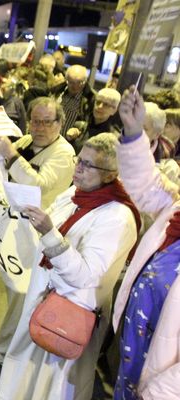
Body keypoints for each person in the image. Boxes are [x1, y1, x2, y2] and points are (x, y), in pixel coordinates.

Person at [0, 132, 140, 399]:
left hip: (70, 315)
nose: (79, 168)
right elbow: (54, 218)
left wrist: (50, 233)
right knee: (27, 378)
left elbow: (86, 277)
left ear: (110, 174)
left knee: (54, 386)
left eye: (88, 165)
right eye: (79, 160)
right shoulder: (78, 192)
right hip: (46, 300)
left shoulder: (118, 217)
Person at [0, 97, 75, 364]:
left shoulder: (64, 154)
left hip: (38, 237)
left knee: (23, 295)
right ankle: (11, 349)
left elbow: (38, 185)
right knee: (16, 293)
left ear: (59, 123)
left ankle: (6, 351)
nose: (40, 127)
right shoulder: (28, 142)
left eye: (47, 122)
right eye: (35, 121)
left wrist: (10, 155)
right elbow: (1, 159)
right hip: (14, 228)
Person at [112, 87, 180, 400]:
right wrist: (134, 130)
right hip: (136, 362)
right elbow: (147, 186)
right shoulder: (176, 212)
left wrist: (159, 393)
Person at [66, 88, 122, 154]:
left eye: (106, 104)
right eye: (98, 102)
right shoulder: (79, 126)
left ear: (114, 110)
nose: (100, 106)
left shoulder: (114, 138)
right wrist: (68, 139)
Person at [51, 64, 96, 136]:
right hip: (50, 136)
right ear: (66, 80)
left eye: (79, 82)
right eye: (71, 82)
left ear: (85, 81)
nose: (75, 86)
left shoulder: (91, 99)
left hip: (71, 143)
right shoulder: (57, 91)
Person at [143, 102, 180, 185]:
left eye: (144, 129)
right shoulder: (119, 143)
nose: (137, 131)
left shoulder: (167, 150)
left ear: (156, 134)